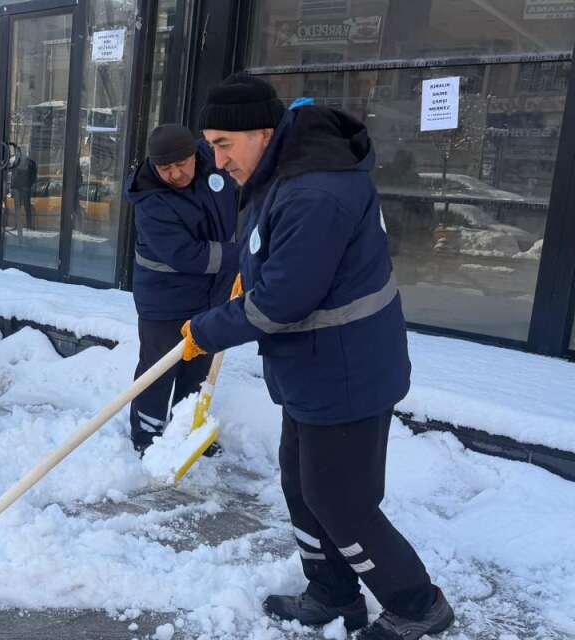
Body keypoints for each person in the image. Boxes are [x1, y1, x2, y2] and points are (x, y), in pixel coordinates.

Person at [182, 73, 454, 639]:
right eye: (210, 142)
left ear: (262, 132)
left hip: (346, 371)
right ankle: (333, 593)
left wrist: (207, 329)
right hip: (312, 366)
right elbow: (276, 260)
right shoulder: (282, 168)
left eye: (224, 143)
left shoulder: (314, 190)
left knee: (340, 500)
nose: (216, 158)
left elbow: (284, 300)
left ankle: (417, 603)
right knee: (302, 487)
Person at [124, 124, 238, 455]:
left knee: (198, 366)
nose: (175, 174)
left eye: (181, 164)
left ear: (194, 155)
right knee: (159, 368)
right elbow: (189, 255)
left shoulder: (213, 159)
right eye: (165, 168)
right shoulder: (151, 201)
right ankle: (147, 436)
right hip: (165, 299)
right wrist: (242, 255)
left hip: (212, 292)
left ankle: (187, 427)